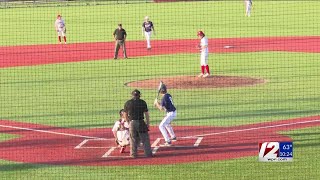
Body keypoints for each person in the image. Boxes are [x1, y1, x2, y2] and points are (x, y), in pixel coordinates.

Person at [123, 89, 153, 158]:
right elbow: (146, 114)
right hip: (141, 122)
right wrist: (148, 124)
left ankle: (133, 154)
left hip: (132, 123)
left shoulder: (128, 103)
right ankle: (148, 154)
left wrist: (128, 122)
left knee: (133, 139)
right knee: (145, 139)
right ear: (139, 95)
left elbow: (125, 114)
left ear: (132, 95)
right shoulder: (143, 102)